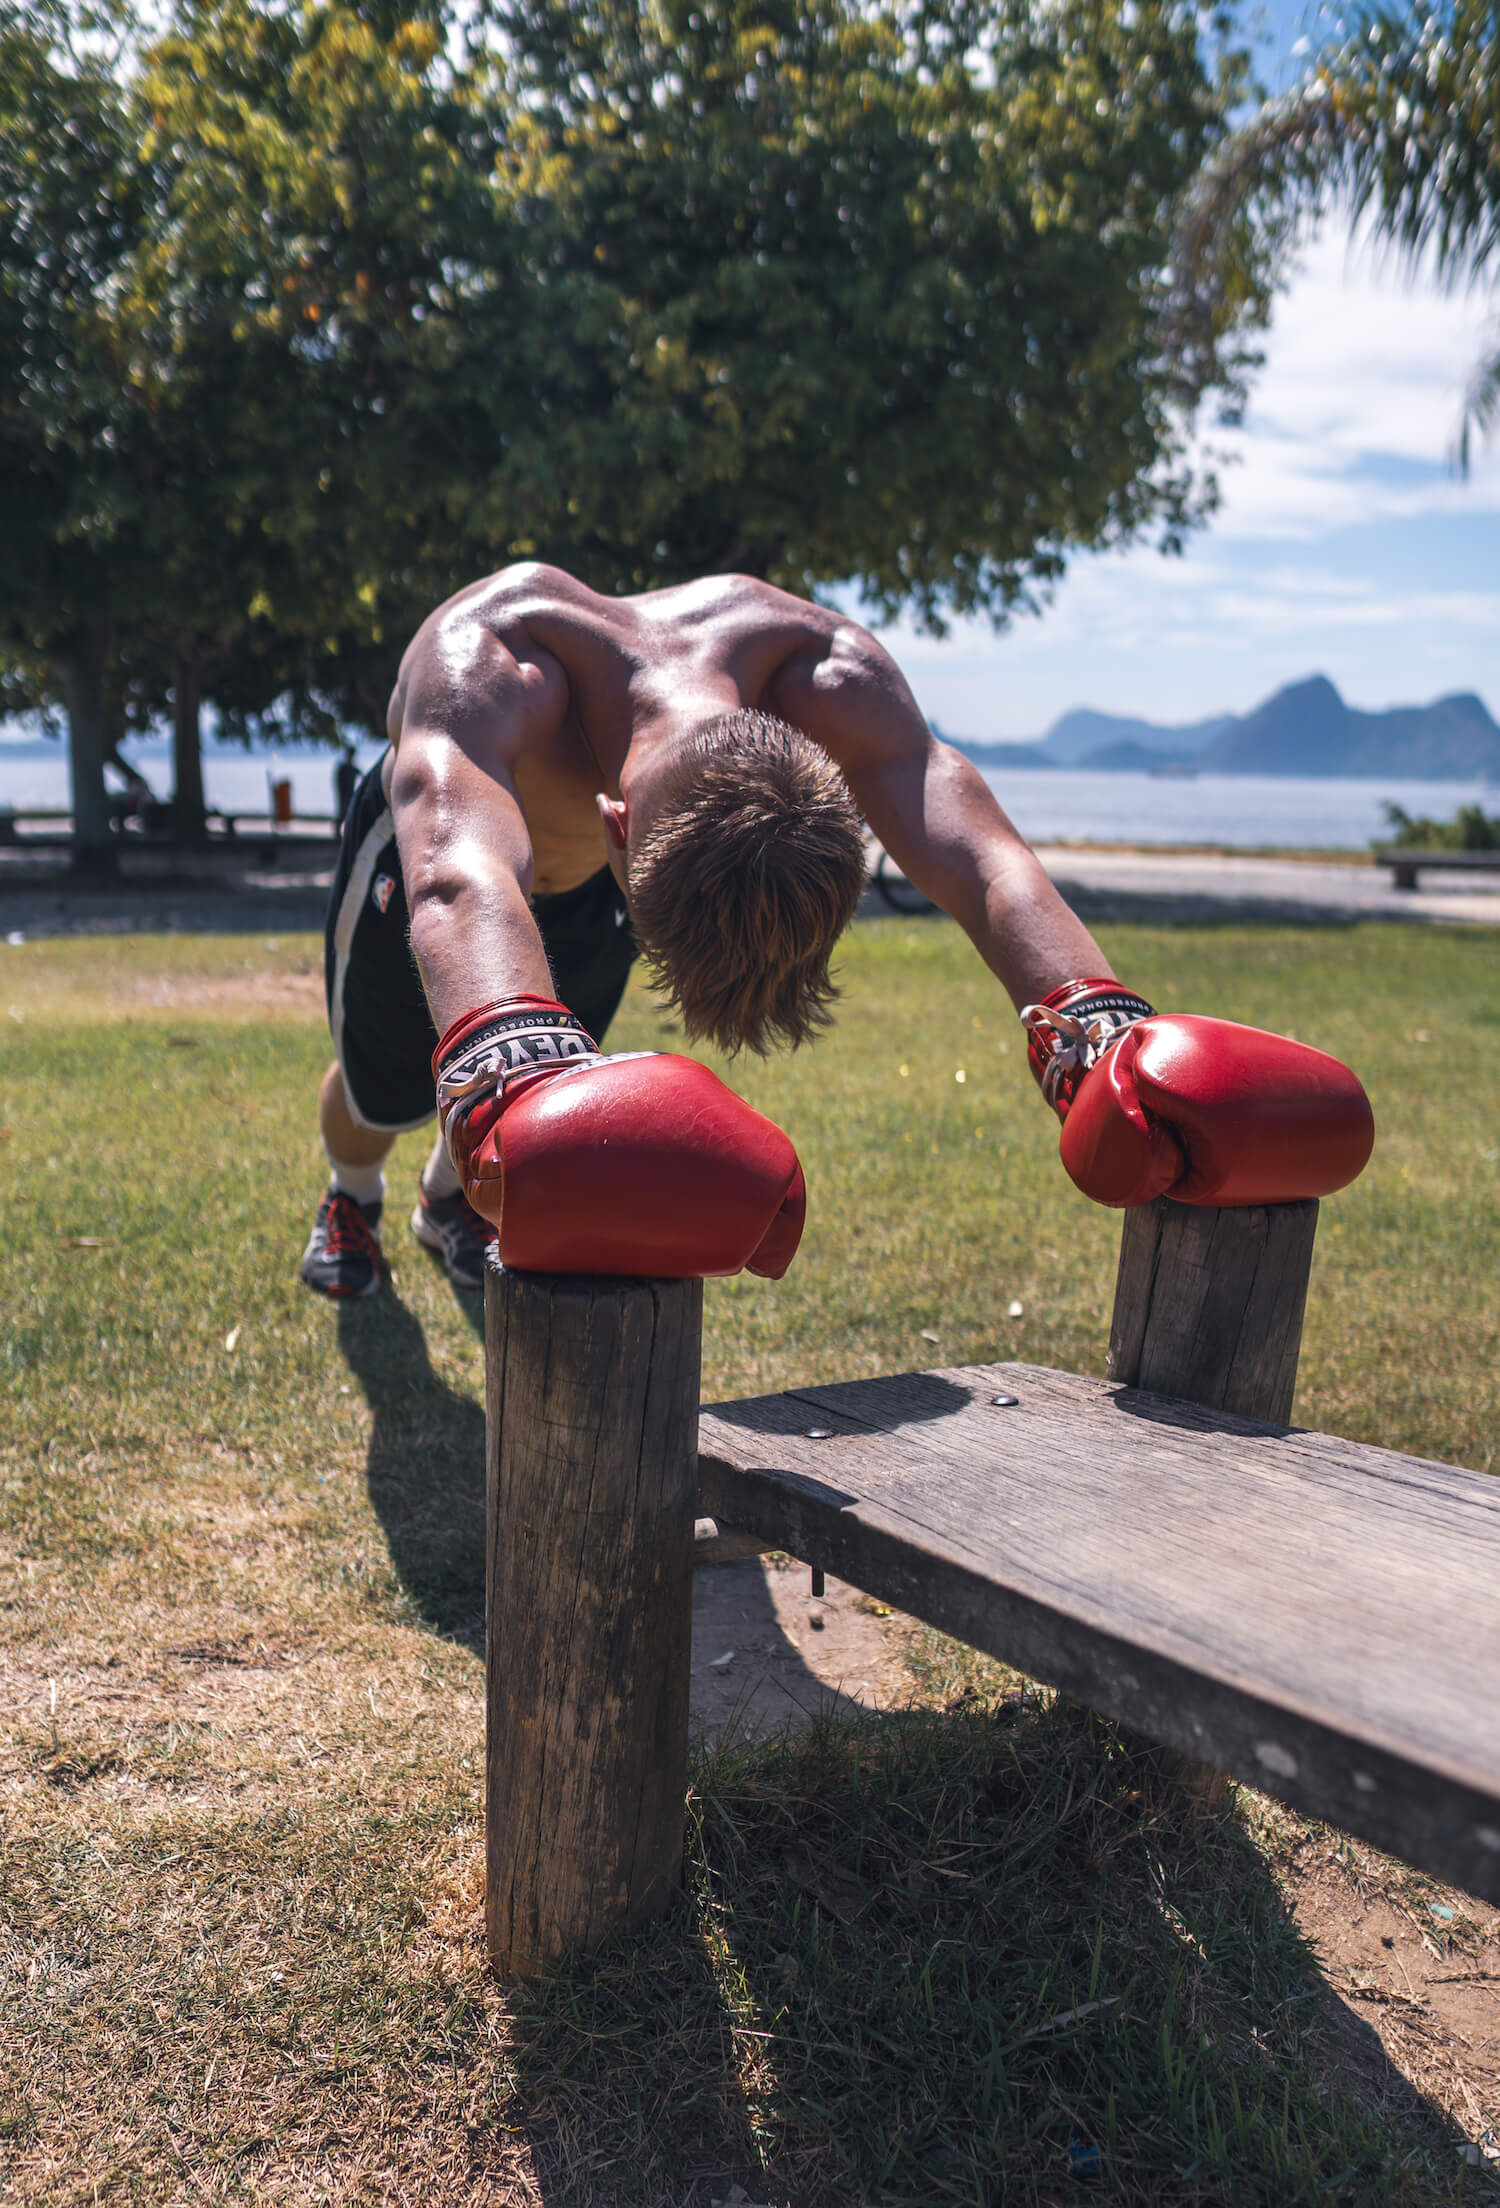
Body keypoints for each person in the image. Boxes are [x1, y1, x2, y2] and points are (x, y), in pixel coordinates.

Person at [300, 562, 1373, 1298]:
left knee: (556, 1102)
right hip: (426, 864)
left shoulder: (824, 669)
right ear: (619, 828)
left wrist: (1103, 1033)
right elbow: (461, 875)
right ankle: (354, 1197)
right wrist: (505, 1060)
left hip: (581, 892)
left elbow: (985, 861)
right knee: (390, 1093)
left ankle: (449, 1202)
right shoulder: (489, 657)